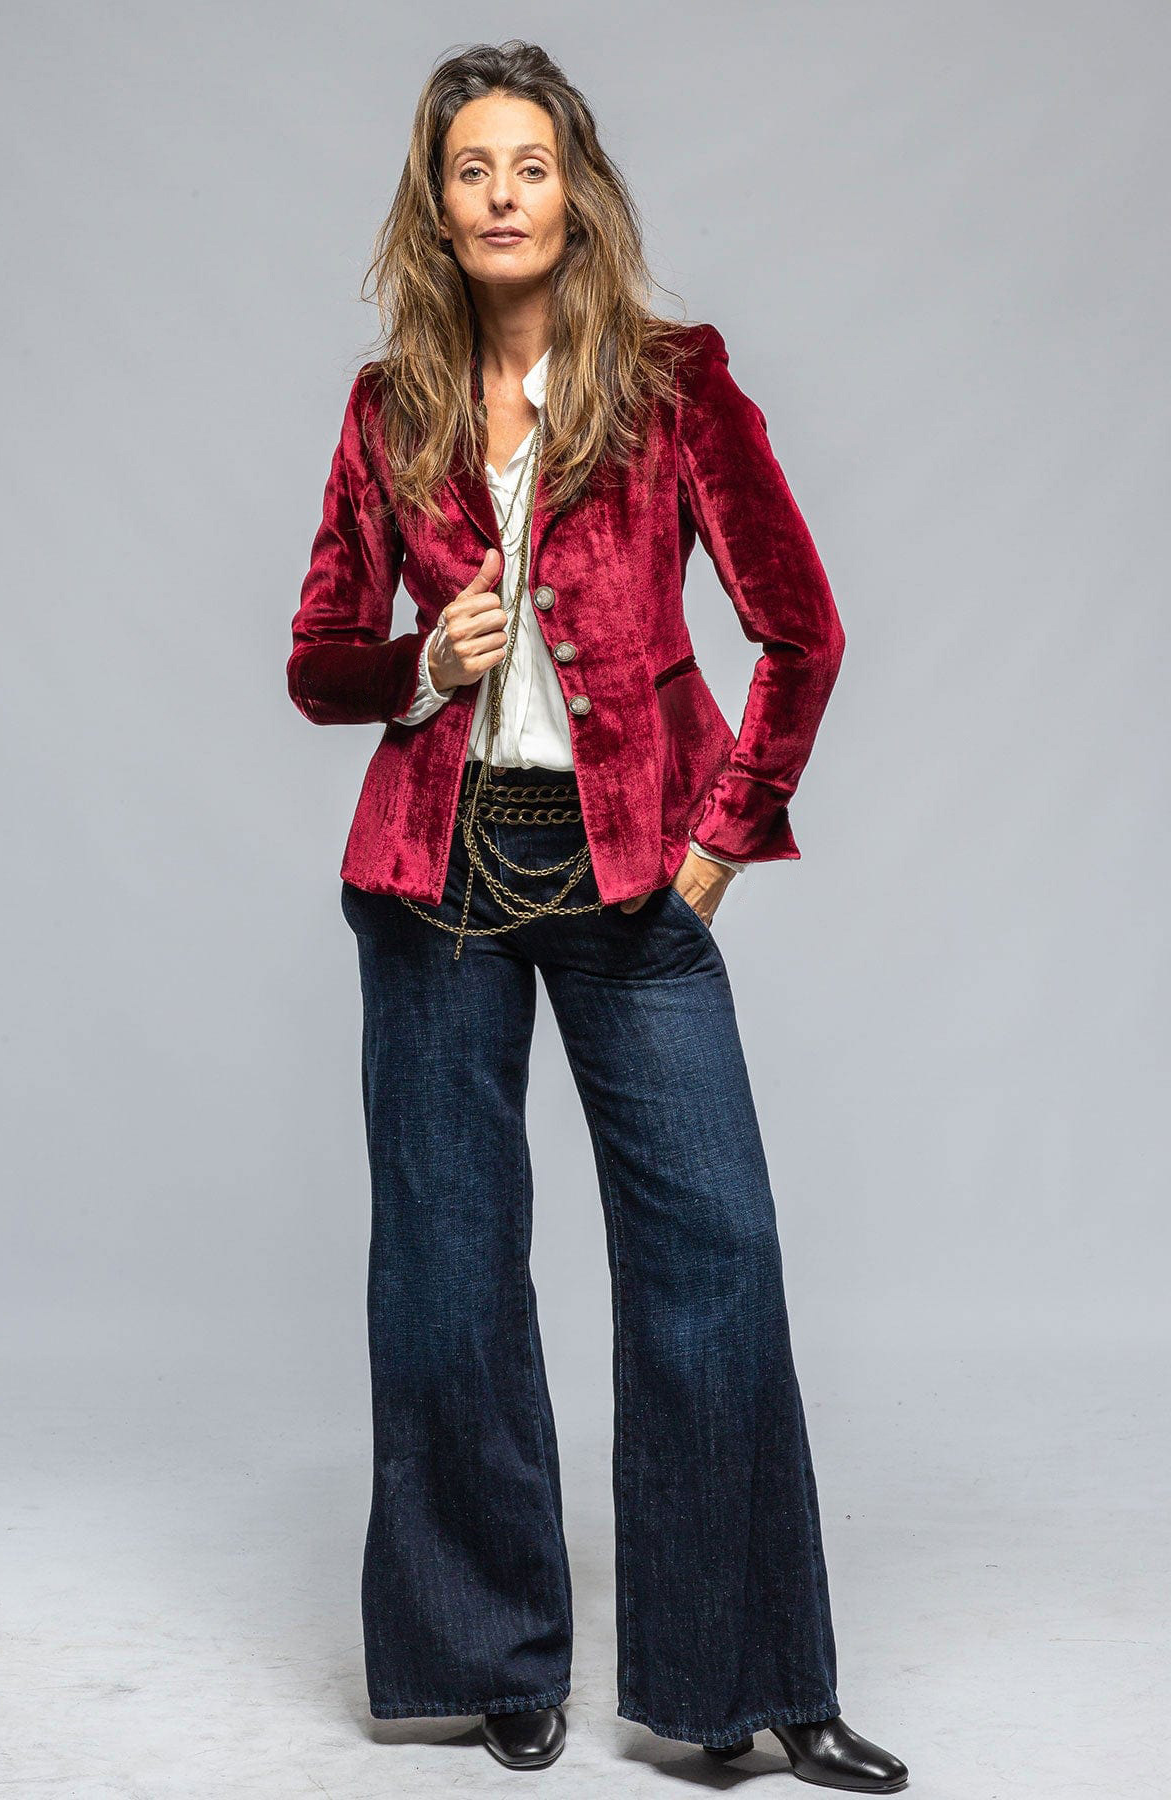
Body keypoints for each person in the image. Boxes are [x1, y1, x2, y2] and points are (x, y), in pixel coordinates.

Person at [287, 39, 908, 1791]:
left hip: (632, 869)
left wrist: (719, 842)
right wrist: (419, 665)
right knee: (448, 1272)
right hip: (434, 877)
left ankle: (753, 1684)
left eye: (531, 165)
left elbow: (803, 630)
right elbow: (318, 659)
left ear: (578, 192)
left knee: (716, 1253)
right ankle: (490, 1657)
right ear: (437, 204)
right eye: (470, 169)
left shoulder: (673, 382)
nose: (502, 196)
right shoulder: (387, 405)